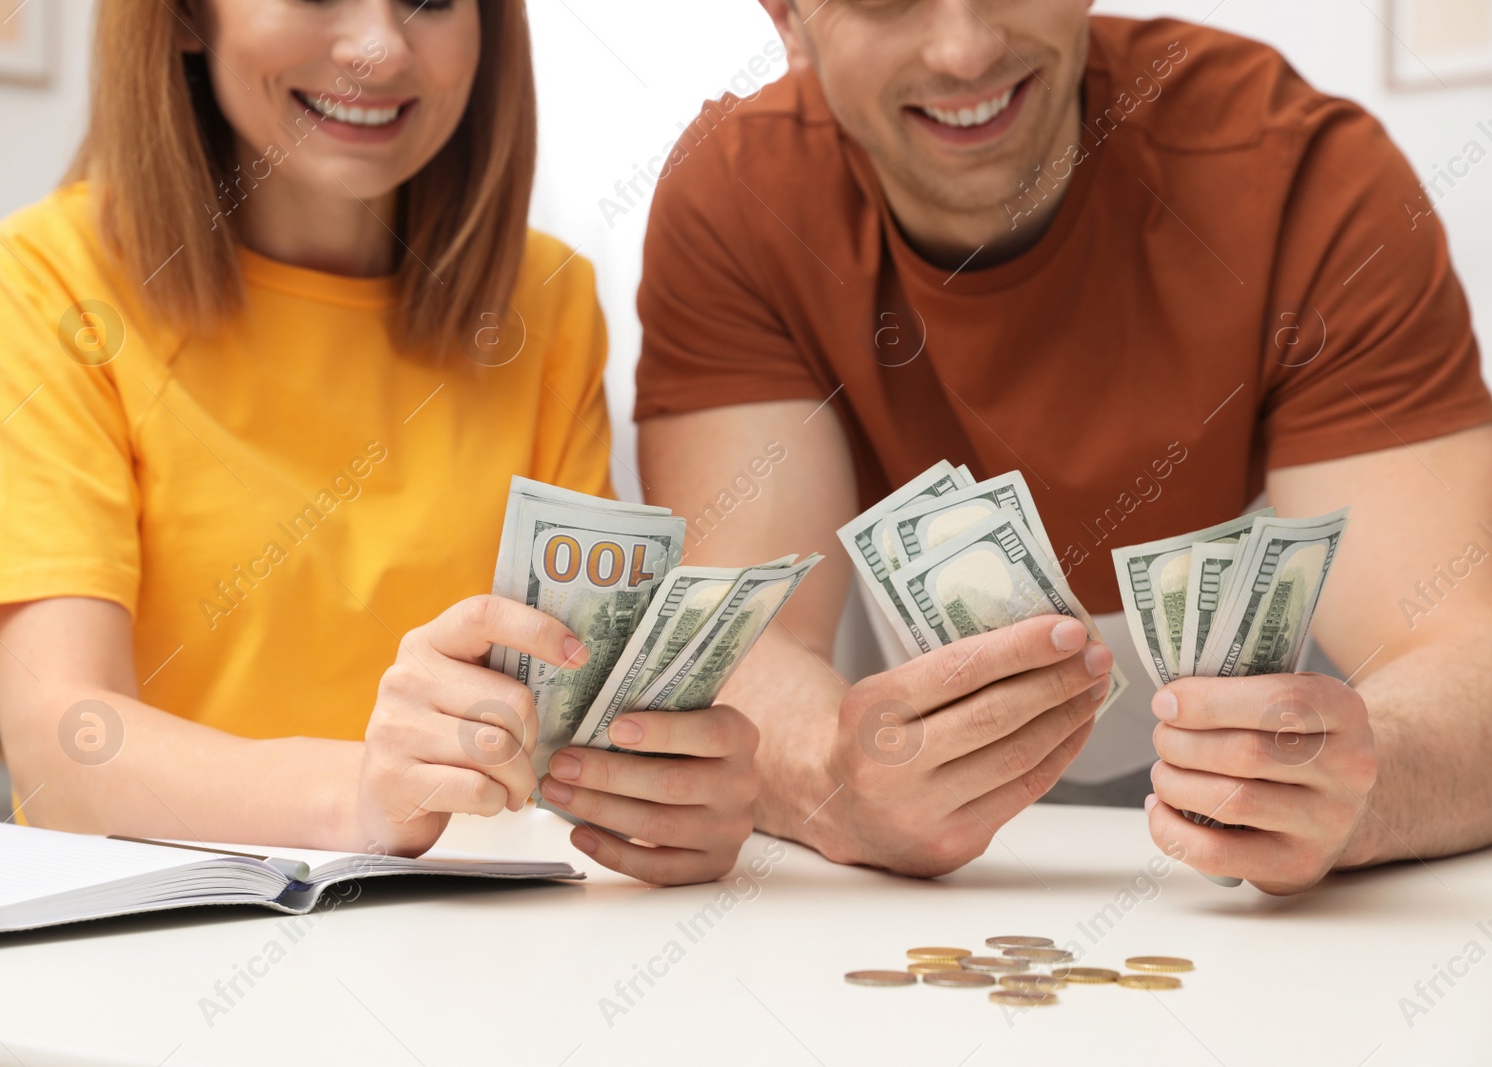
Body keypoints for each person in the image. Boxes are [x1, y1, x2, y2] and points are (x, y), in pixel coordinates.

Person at [634, 0, 1492, 893]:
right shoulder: (738, 198)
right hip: (928, 896)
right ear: (787, 16)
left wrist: (1369, 781)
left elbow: (1461, 652)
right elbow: (738, 650)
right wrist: (834, 779)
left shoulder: (1308, 175)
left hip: (1257, 908)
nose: (965, 50)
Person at [0, 0, 758, 887]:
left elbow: (573, 727)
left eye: (433, 2)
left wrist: (667, 794)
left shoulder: (544, 303)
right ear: (183, 17)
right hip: (156, 953)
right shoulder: (48, 279)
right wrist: (360, 796)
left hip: (472, 953)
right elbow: (66, 748)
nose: (378, 47)